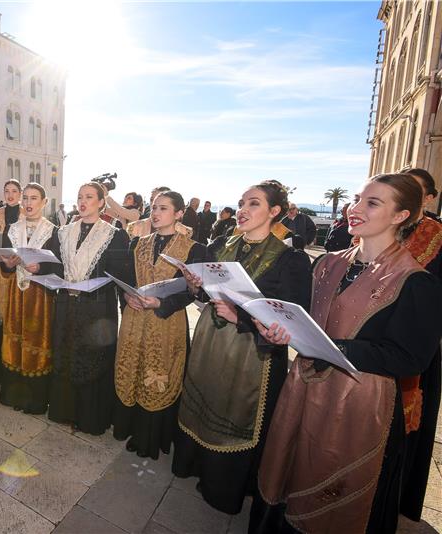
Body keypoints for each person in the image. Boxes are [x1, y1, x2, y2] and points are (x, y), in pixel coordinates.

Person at [252, 174, 442, 534]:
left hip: (358, 402)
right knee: (287, 467)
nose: (355, 209)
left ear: (401, 216)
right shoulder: (327, 263)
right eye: (357, 198)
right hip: (303, 389)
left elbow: (409, 357)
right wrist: (277, 329)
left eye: (372, 203)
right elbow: (304, 316)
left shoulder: (415, 281)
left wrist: (335, 349)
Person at [172, 180, 311, 515]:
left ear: (274, 211)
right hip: (211, 339)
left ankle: (225, 487)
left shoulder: (291, 259)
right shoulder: (221, 243)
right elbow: (207, 294)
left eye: (253, 204)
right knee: (205, 395)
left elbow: (290, 316)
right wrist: (196, 287)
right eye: (241, 203)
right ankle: (195, 465)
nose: (242, 210)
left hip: (252, 352)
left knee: (236, 408)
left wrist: (242, 319)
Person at [113, 191, 206, 459]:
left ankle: (150, 438)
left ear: (178, 214)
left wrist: (160, 304)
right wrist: (127, 295)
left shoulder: (194, 249)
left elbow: (192, 292)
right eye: (154, 208)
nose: (155, 213)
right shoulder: (137, 243)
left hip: (166, 321)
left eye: (163, 208)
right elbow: (126, 278)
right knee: (132, 366)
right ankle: (128, 428)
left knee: (158, 370)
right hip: (134, 318)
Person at [48, 182, 131, 435]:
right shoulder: (62, 232)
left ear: (101, 202)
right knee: (66, 353)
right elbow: (53, 265)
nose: (83, 201)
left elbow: (120, 274)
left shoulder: (115, 234)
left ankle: (91, 419)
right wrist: (35, 267)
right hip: (67, 305)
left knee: (94, 358)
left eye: (89, 197)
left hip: (97, 310)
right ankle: (65, 411)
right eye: (80, 196)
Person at [396, 167, 442, 521]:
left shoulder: (438, 238)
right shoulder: (380, 232)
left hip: (414, 349)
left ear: (428, 199)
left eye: (413, 190)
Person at [0, 183, 60, 413]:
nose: (29, 203)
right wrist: (7, 265)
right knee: (14, 338)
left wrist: (39, 268)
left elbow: (58, 268)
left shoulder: (54, 231)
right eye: (26, 198)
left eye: (34, 198)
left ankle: (35, 401)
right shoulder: (12, 229)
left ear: (44, 202)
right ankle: (15, 396)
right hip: (16, 292)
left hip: (40, 295)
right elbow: (4, 266)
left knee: (36, 339)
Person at [0, 179, 23, 382]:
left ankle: (14, 364)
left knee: (14, 316)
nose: (10, 195)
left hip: (19, 272)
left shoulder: (27, 214)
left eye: (14, 191)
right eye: (7, 191)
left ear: (20, 193)